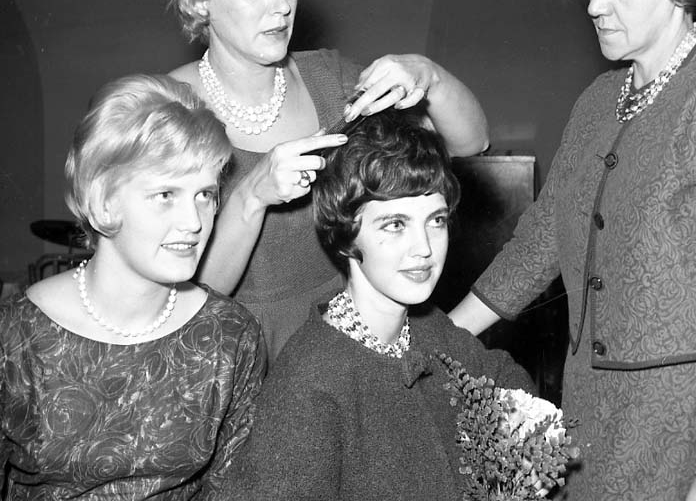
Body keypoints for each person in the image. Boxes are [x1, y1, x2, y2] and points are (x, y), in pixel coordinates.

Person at [449, 0, 696, 500]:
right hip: (590, 417)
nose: (593, 5)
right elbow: (539, 243)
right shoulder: (598, 101)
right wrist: (440, 338)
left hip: (692, 428)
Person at [166, 0, 490, 359]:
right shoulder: (166, 109)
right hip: (235, 359)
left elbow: (471, 141)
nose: (281, 5)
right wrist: (253, 195)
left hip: (346, 350)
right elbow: (188, 299)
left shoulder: (331, 80)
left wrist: (430, 76)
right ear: (199, 0)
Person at [221, 109, 534, 501]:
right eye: (395, 224)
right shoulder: (310, 384)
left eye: (435, 220)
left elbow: (510, 387)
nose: (424, 248)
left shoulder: (428, 329)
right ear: (345, 235)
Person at [0, 74, 266, 499]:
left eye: (205, 194)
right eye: (165, 194)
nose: (194, 222)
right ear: (103, 202)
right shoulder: (17, 339)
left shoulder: (230, 336)